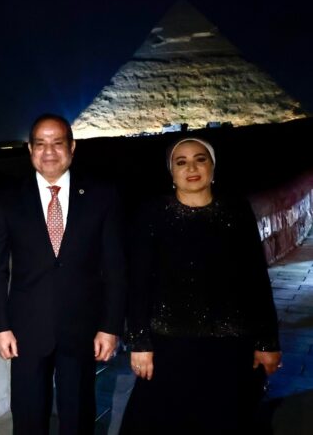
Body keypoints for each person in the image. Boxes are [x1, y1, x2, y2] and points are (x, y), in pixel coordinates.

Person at [119, 137, 282, 435]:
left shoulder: (236, 210)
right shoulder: (152, 214)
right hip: (171, 346)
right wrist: (139, 342)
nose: (191, 167)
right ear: (171, 173)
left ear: (213, 167)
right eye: (181, 162)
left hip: (232, 347)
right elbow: (139, 282)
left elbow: (255, 278)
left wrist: (267, 341)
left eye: (200, 159)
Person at [0, 114, 127, 435]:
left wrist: (110, 326)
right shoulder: (7, 199)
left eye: (57, 143)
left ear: (71, 147)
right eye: (41, 144)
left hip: (82, 329)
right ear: (30, 149)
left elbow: (115, 266)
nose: (49, 152)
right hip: (25, 333)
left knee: (78, 417)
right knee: (29, 419)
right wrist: (0, 326)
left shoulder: (102, 196)